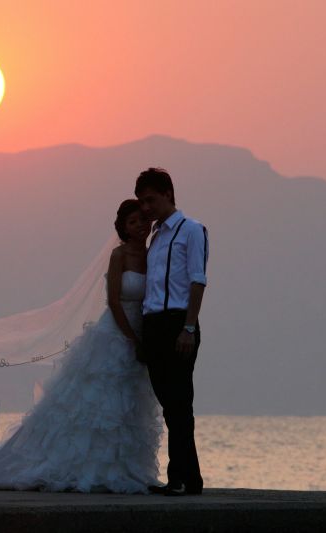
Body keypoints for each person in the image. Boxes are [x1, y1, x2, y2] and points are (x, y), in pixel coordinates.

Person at [0, 199, 162, 493]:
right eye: (132, 222)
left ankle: (123, 468)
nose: (139, 227)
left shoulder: (153, 255)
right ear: (124, 227)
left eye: (142, 221)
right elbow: (114, 301)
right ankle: (82, 466)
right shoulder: (119, 256)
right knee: (97, 403)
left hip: (144, 332)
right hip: (115, 335)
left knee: (130, 405)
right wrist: (131, 337)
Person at [135, 168, 208, 497]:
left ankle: (182, 478)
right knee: (169, 405)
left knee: (180, 403)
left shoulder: (191, 230)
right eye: (142, 201)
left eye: (150, 199)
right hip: (153, 325)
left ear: (167, 194)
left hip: (179, 322)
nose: (146, 207)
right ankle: (185, 478)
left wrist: (189, 327)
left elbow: (197, 279)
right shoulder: (155, 237)